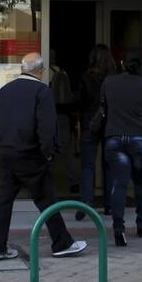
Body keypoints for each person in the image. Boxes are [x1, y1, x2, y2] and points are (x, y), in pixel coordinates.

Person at [0, 52, 88, 261]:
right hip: (30, 154)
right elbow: (47, 127)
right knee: (47, 199)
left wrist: (3, 141)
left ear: (23, 69)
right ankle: (62, 243)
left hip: (7, 152)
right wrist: (48, 153)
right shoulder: (42, 92)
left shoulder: (5, 90)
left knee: (3, 202)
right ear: (40, 71)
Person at [100, 51, 142, 246]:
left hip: (115, 137)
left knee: (119, 183)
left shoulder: (109, 82)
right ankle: (141, 225)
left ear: (122, 63)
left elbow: (103, 108)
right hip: (140, 137)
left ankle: (118, 229)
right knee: (140, 182)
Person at [75, 44, 117, 221]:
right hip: (110, 125)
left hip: (90, 124)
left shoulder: (86, 77)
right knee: (109, 166)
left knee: (87, 166)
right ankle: (109, 205)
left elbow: (79, 102)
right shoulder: (115, 79)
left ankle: (86, 205)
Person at [48, 49, 79, 193]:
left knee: (47, 148)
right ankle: (74, 181)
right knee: (66, 150)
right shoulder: (63, 72)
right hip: (63, 116)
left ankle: (47, 181)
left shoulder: (46, 72)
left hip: (49, 114)